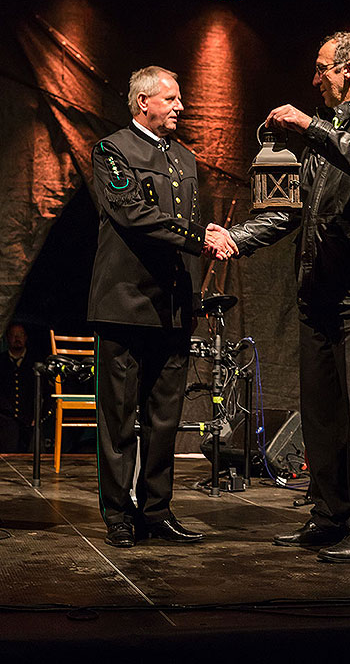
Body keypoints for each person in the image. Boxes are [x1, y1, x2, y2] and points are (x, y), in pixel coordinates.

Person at [215, 31, 350, 562]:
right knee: (322, 416)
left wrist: (309, 127)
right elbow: (290, 210)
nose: (315, 79)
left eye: (322, 68)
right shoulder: (323, 136)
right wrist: (237, 239)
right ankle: (329, 515)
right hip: (320, 292)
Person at [88, 65, 237, 548]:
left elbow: (187, 223)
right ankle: (118, 514)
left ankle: (156, 510)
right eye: (170, 99)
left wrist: (205, 251)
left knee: (164, 417)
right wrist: (202, 239)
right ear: (142, 103)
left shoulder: (184, 159)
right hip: (123, 305)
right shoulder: (112, 150)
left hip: (172, 306)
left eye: (179, 99)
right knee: (118, 417)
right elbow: (133, 212)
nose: (180, 107)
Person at [0, 322, 36, 452]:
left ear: (26, 337)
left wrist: (38, 416)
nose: (17, 338)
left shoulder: (35, 361)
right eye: (13, 335)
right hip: (5, 422)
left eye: (20, 335)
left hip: (30, 420)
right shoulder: (1, 361)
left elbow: (46, 391)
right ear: (7, 338)